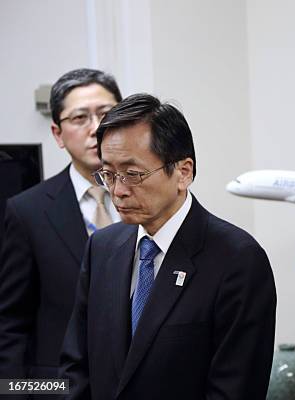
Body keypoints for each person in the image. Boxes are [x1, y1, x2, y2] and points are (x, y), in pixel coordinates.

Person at [60, 93, 276, 399]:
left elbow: (234, 389)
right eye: (108, 174)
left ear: (183, 172)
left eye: (133, 174)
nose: (118, 191)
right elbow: (76, 366)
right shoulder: (102, 248)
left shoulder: (237, 260)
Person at [0, 69, 122, 382]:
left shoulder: (152, 197)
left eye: (106, 114)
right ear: (57, 133)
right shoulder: (27, 211)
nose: (96, 128)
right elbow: (11, 324)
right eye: (80, 118)